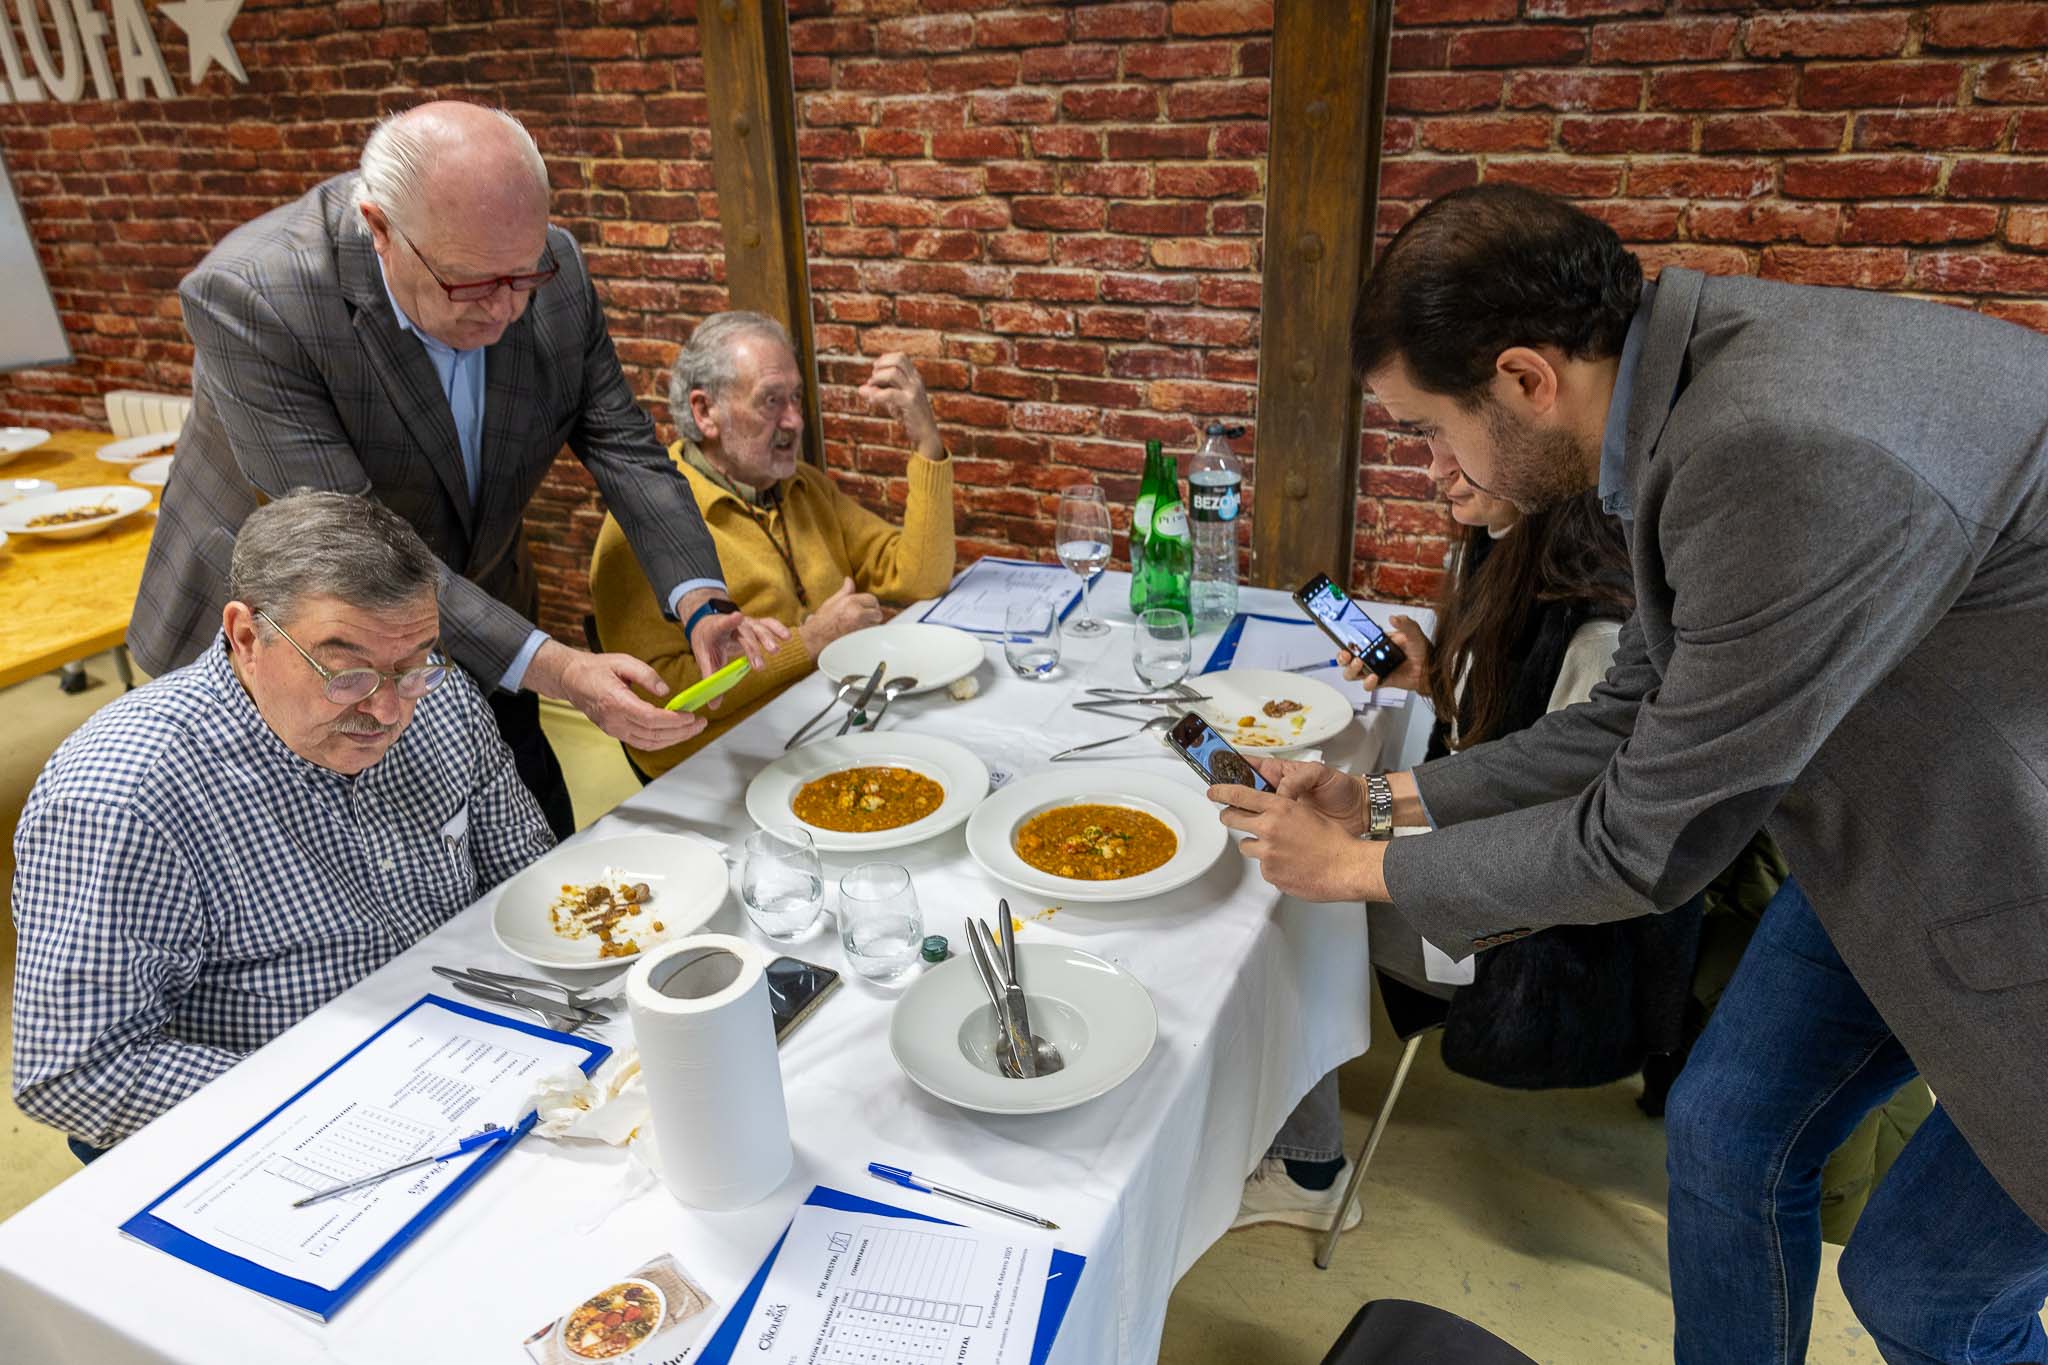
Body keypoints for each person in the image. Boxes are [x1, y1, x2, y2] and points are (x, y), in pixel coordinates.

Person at [1215, 184, 2048, 1363]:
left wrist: (1356, 871)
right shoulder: (1685, 395)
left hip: (2010, 881)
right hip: (1883, 834)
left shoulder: (1774, 450)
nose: (1431, 463)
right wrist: (1390, 796)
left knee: (1923, 1296)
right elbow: (1630, 712)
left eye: (1424, 429)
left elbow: (1642, 841)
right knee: (1721, 1137)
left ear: (1520, 378)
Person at [129, 101, 787, 840]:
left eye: (523, 276)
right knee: (334, 891)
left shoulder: (554, 272)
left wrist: (699, 598)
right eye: (472, 285)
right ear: (379, 229)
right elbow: (359, 543)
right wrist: (561, 669)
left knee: (533, 838)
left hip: (482, 597)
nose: (508, 309)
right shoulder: (257, 299)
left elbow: (624, 447)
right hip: (298, 646)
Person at [13, 492, 554, 1161]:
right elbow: (73, 1071)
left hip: (465, 1062)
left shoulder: (439, 702)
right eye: (346, 669)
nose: (387, 709)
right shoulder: (125, 797)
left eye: (414, 661)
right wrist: (323, 1092)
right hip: (276, 1129)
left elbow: (529, 880)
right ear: (246, 636)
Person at [1239, 479, 1658, 1230]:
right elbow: (1508, 757)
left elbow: (1550, 850)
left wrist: (1351, 864)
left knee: (1281, 898)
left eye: (1445, 431)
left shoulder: (1598, 638)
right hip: (1478, 852)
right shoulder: (1504, 557)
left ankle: (1308, 1167)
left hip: (1535, 932)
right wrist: (1435, 677)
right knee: (1297, 846)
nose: (1436, 467)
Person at [589, 312, 956, 779]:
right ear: (705, 412)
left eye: (796, 398)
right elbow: (651, 697)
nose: (795, 421)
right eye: (770, 401)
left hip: (823, 728)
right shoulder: (645, 522)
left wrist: (926, 439)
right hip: (717, 768)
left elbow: (922, 575)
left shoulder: (800, 487)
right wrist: (808, 643)